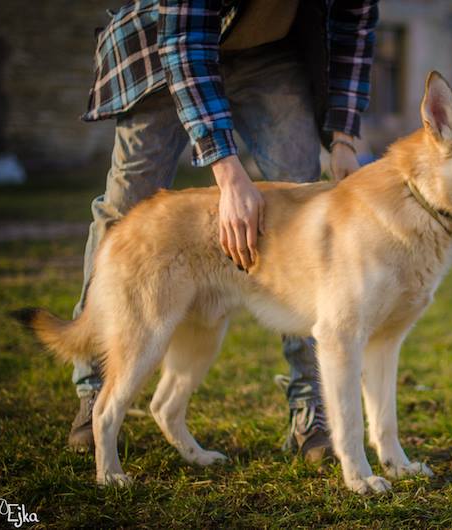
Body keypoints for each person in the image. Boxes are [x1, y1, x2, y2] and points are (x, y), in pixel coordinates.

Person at [68, 0, 378, 463]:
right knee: (127, 210)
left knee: (300, 201)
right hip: (164, 47)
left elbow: (353, 28)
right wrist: (230, 177)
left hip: (270, 52)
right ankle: (98, 388)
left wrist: (344, 139)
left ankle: (311, 406)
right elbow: (184, 41)